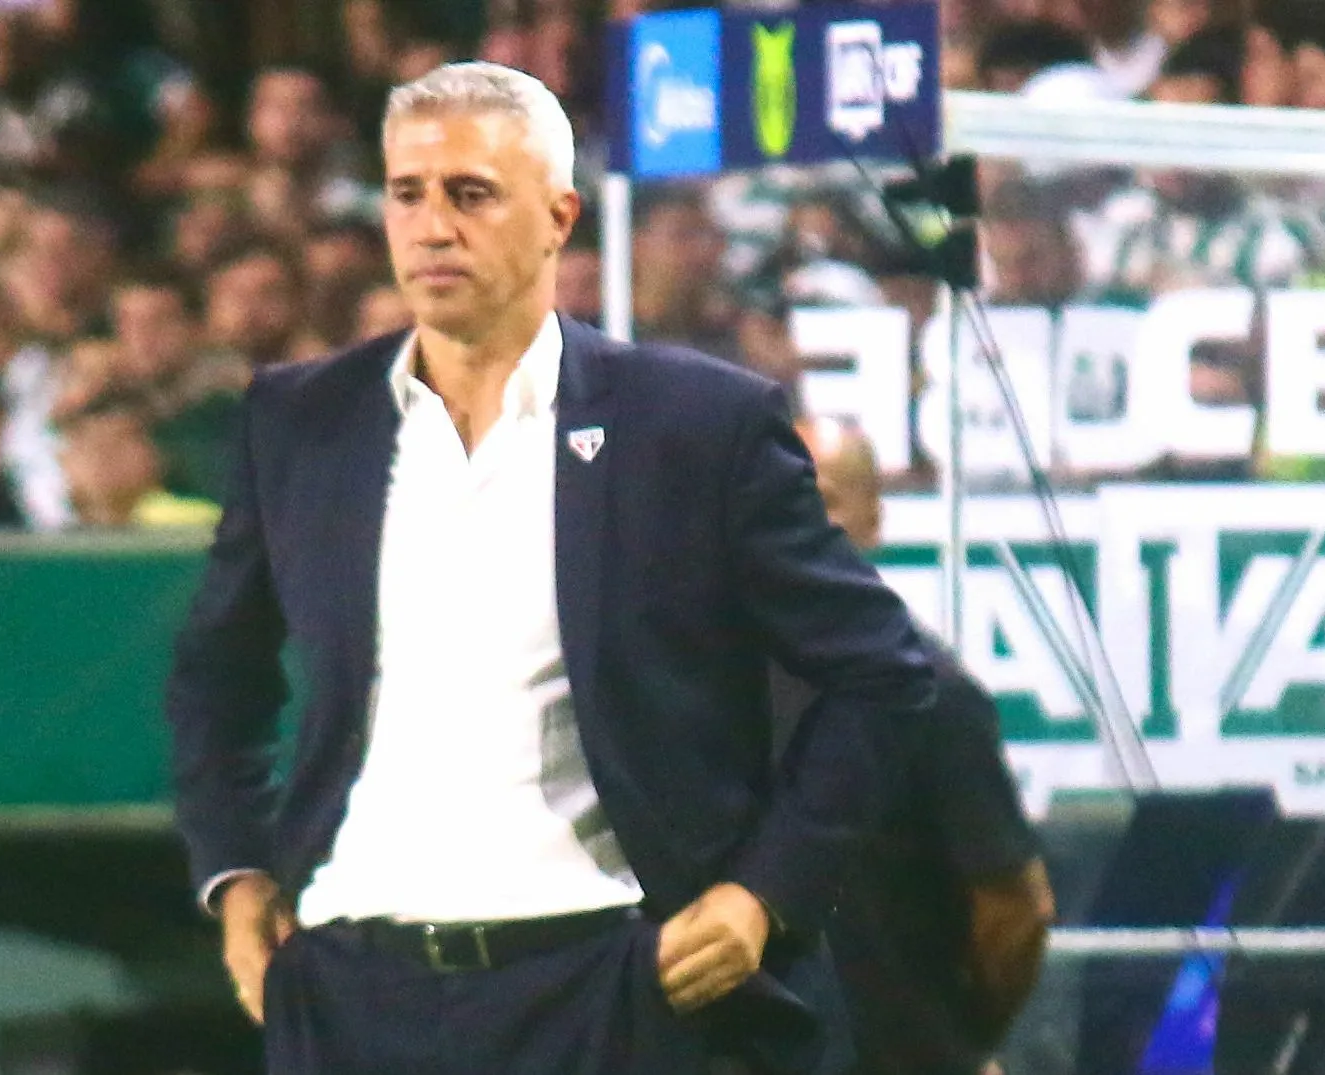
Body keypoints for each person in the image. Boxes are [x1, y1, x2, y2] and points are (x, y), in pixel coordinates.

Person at [164, 62, 937, 1075]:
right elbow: (214, 675)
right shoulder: (300, 421)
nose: (432, 227)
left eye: (471, 194)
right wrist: (235, 874)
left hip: (606, 986)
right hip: (349, 993)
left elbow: (879, 672)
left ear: (557, 217)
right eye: (407, 194)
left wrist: (763, 893)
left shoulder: (695, 424)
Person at [786, 416, 1054, 1075]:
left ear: (873, 519)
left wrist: (953, 1041)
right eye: (778, 500)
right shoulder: (716, 690)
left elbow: (1015, 909)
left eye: (823, 500)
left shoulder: (935, 695)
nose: (798, 522)